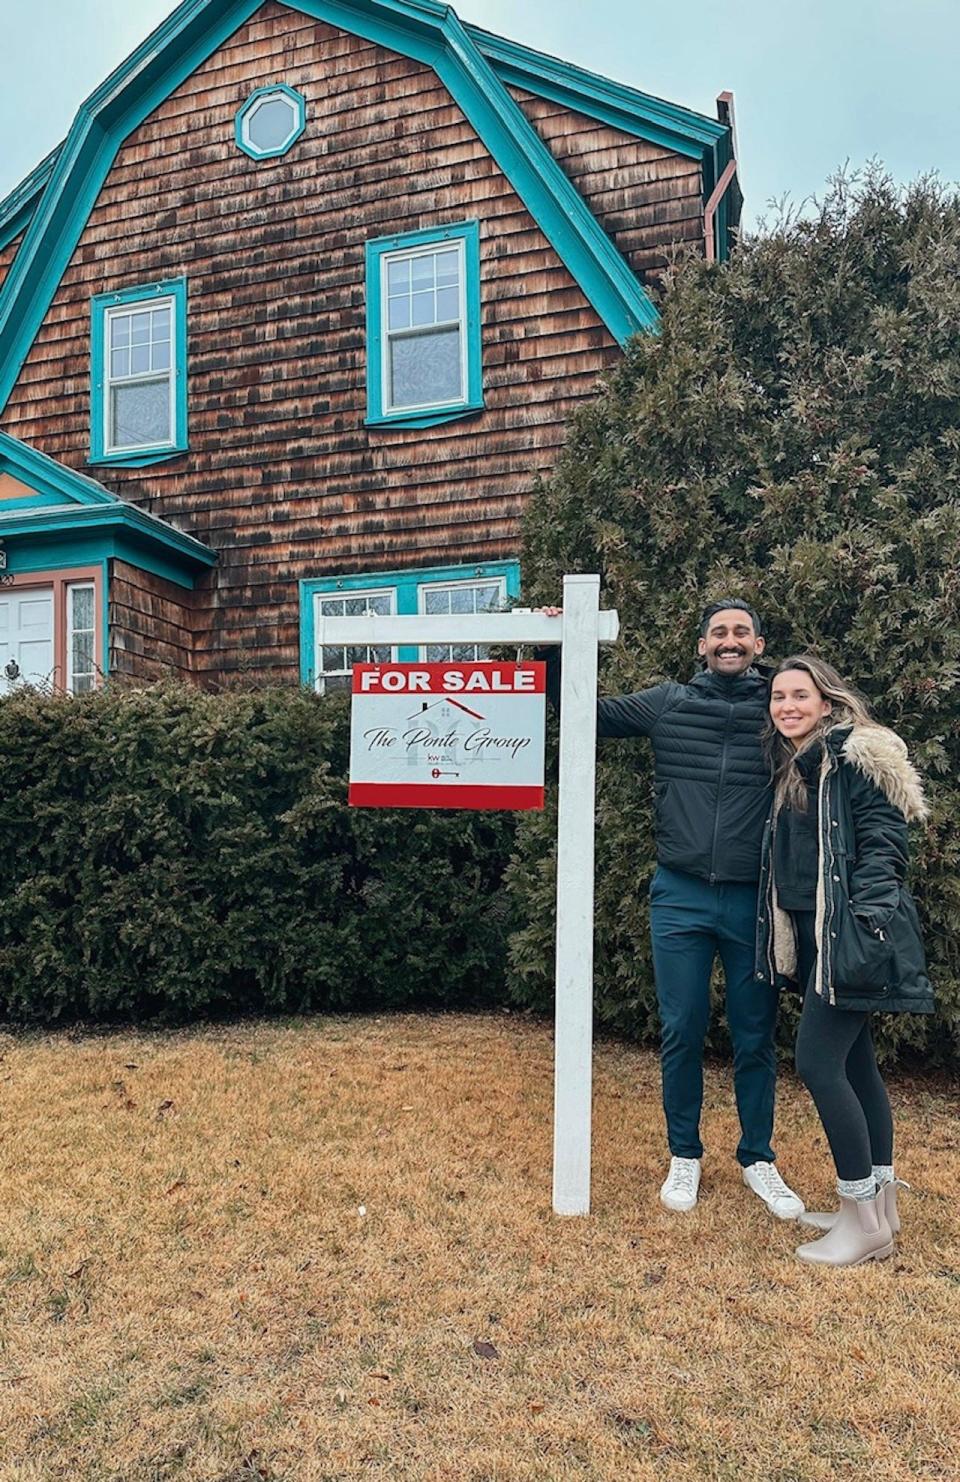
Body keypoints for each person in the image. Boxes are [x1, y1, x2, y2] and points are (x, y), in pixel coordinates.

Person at [541, 600, 804, 1217]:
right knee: (681, 1029)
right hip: (680, 894)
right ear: (701, 646)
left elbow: (842, 737)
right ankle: (683, 1155)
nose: (730, 641)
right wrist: (557, 645)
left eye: (741, 632)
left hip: (753, 900)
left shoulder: (780, 712)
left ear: (759, 645)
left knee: (754, 1036)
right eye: (719, 632)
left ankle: (758, 1159)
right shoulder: (668, 702)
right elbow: (583, 712)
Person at [756, 655, 934, 1266]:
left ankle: (862, 1219)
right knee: (857, 1066)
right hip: (814, 935)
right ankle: (879, 1213)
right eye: (778, 697)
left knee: (817, 1062)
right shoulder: (800, 766)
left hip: (848, 937)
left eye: (799, 696)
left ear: (826, 702)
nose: (787, 707)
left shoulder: (857, 756)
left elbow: (885, 849)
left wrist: (865, 925)